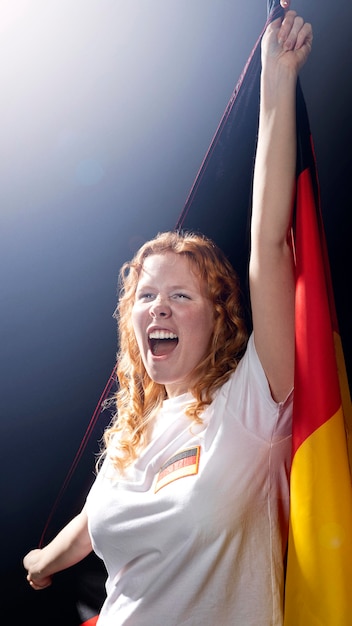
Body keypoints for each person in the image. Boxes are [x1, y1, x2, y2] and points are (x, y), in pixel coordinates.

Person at [23, 7, 313, 625]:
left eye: (181, 296)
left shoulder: (253, 405)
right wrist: (44, 559)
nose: (159, 306)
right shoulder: (128, 440)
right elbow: (91, 521)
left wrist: (277, 77)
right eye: (147, 296)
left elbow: (266, 241)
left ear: (219, 319)